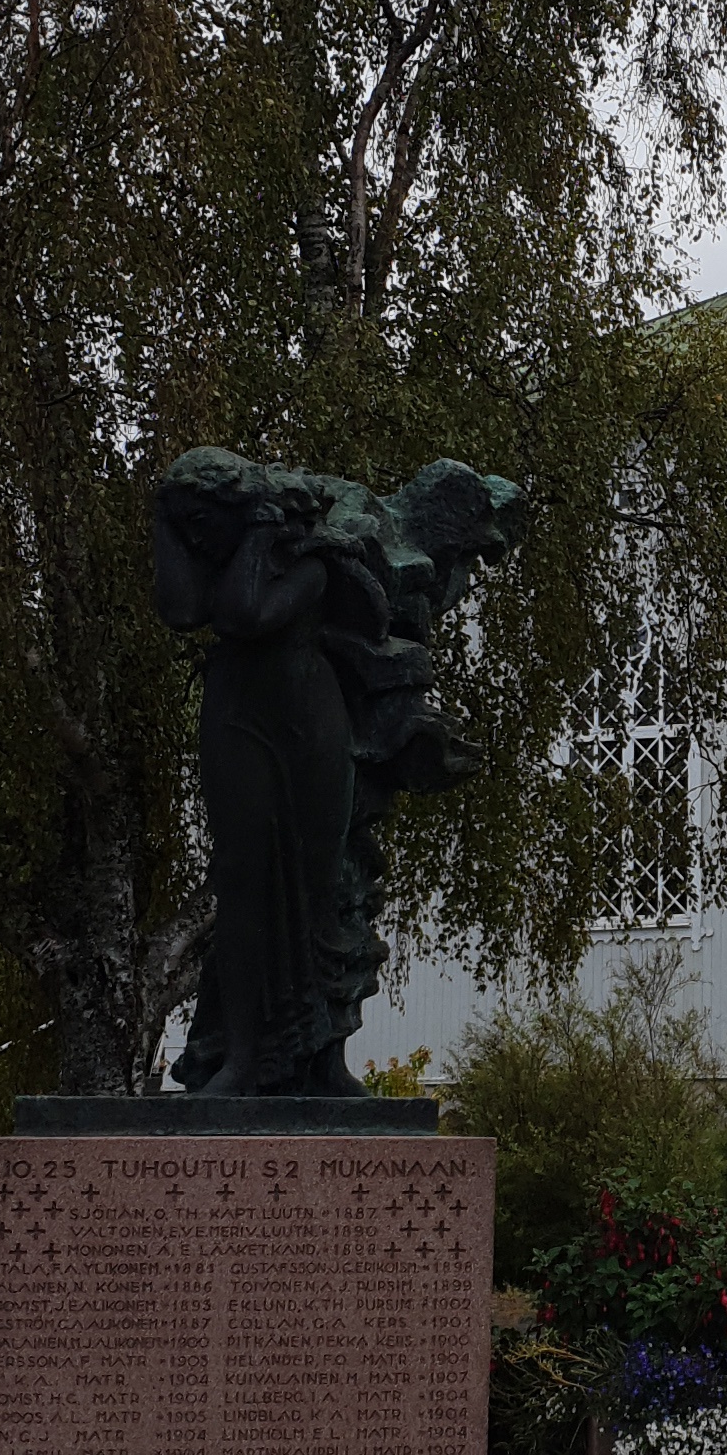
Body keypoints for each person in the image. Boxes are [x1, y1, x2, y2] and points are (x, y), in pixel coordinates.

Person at [151, 449, 524, 1095]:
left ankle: (324, 1059)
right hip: (239, 725)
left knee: (329, 888)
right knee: (243, 884)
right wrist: (165, 520)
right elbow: (182, 609)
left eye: (210, 524)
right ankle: (241, 1058)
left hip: (312, 731)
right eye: (196, 527)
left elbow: (244, 614)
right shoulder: (224, 562)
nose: (203, 538)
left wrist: (266, 528)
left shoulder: (318, 567)